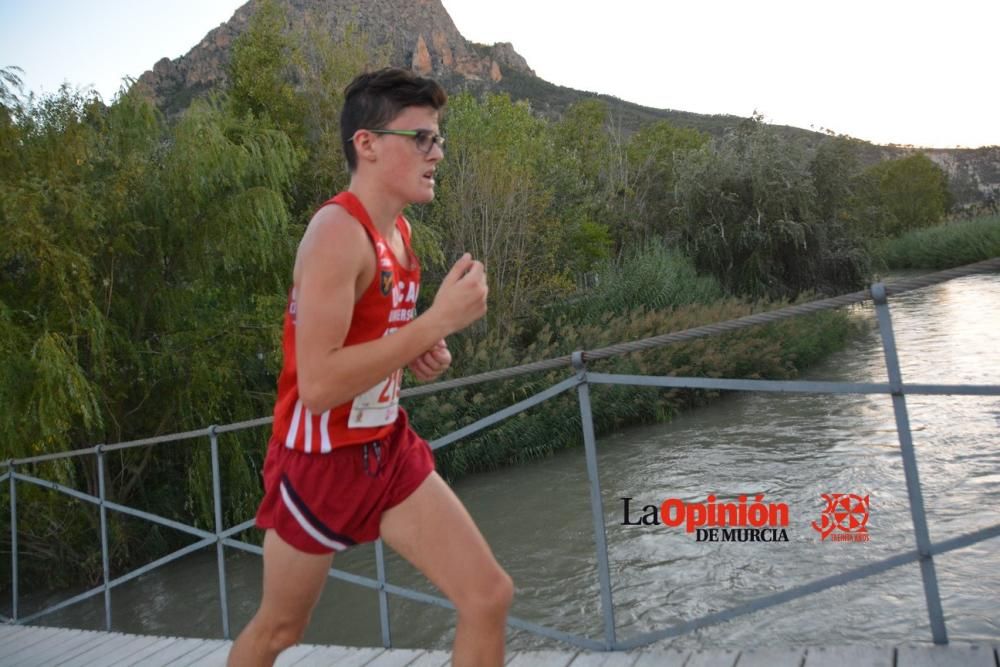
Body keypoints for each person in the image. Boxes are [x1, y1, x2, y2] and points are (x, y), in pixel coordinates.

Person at [227, 68, 513, 667]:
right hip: (318, 463)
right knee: (279, 631)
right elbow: (321, 385)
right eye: (422, 139)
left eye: (439, 140)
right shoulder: (336, 232)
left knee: (488, 596)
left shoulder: (401, 234)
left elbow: (383, 339)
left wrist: (421, 350)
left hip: (384, 447)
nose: (437, 153)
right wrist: (434, 324)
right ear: (368, 143)